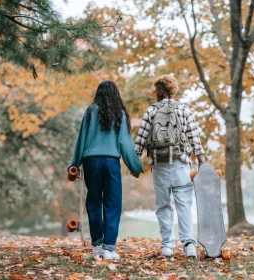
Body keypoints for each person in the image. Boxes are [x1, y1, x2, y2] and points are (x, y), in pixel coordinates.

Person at [66, 80, 143, 260]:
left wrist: (74, 164)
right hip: (111, 162)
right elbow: (125, 143)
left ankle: (97, 246)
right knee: (112, 203)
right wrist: (135, 167)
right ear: (116, 94)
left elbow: (81, 139)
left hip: (90, 161)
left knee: (94, 202)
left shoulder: (90, 112)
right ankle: (109, 248)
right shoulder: (120, 114)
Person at [134, 74, 205, 257]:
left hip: (159, 165)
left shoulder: (151, 111)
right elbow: (194, 136)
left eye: (156, 89)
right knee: (184, 204)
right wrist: (201, 159)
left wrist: (135, 160)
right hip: (181, 164)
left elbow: (141, 138)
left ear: (161, 90)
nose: (155, 92)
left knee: (163, 205)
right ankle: (188, 244)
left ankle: (167, 245)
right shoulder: (184, 109)